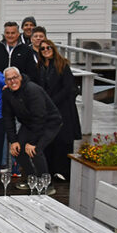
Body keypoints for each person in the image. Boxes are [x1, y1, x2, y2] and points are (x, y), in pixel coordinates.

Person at [2, 67, 62, 192]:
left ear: (20, 77)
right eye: (9, 79)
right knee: (17, 150)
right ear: (5, 82)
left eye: (15, 78)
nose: (12, 81)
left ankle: (47, 184)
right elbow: (8, 118)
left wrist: (33, 142)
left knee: (35, 151)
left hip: (49, 122)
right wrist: (13, 141)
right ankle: (32, 179)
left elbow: (40, 117)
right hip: (29, 123)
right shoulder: (7, 93)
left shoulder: (32, 89)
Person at [35, 39, 81, 181]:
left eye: (48, 47)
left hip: (63, 109)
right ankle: (50, 170)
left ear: (53, 48)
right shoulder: (40, 66)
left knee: (63, 140)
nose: (46, 50)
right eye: (42, 49)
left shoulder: (62, 65)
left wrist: (51, 102)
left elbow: (69, 88)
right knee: (49, 140)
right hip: (47, 110)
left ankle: (64, 172)